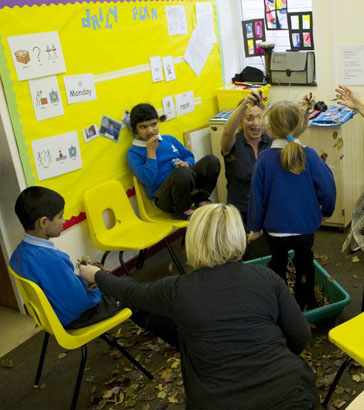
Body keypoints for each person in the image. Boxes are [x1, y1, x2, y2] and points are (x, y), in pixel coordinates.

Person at [80, 203, 319, 410]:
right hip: (293, 393)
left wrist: (95, 275)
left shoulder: (177, 289)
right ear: (238, 236)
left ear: (194, 240)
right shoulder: (266, 278)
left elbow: (130, 292)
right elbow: (300, 336)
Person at [9, 186, 178, 344]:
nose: (64, 220)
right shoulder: (50, 260)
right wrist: (98, 287)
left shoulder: (18, 255)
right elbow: (78, 304)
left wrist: (87, 281)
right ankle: (177, 337)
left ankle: (155, 323)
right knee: (128, 291)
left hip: (54, 315)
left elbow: (57, 286)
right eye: (60, 217)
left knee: (121, 285)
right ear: (43, 222)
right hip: (76, 316)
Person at [247, 100, 336, 310]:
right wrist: (327, 211)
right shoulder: (310, 155)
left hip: (275, 229)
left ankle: (279, 304)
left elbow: (256, 196)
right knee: (305, 262)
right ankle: (307, 301)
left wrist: (255, 228)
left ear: (270, 128)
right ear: (300, 126)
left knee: (277, 263)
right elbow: (328, 187)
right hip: (305, 227)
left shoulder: (265, 158)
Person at [127, 103, 220, 219]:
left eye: (154, 124)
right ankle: (181, 212)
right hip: (164, 198)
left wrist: (187, 163)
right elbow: (148, 180)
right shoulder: (133, 153)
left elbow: (189, 156)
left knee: (212, 161)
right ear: (135, 129)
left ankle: (201, 200)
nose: (150, 130)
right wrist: (151, 152)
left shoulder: (168, 139)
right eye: (143, 127)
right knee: (182, 172)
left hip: (185, 186)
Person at [221, 89, 272, 223]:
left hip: (268, 208)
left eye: (260, 117)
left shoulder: (271, 141)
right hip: (241, 212)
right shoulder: (232, 143)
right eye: (249, 118)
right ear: (240, 121)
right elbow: (227, 132)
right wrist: (245, 104)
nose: (256, 123)